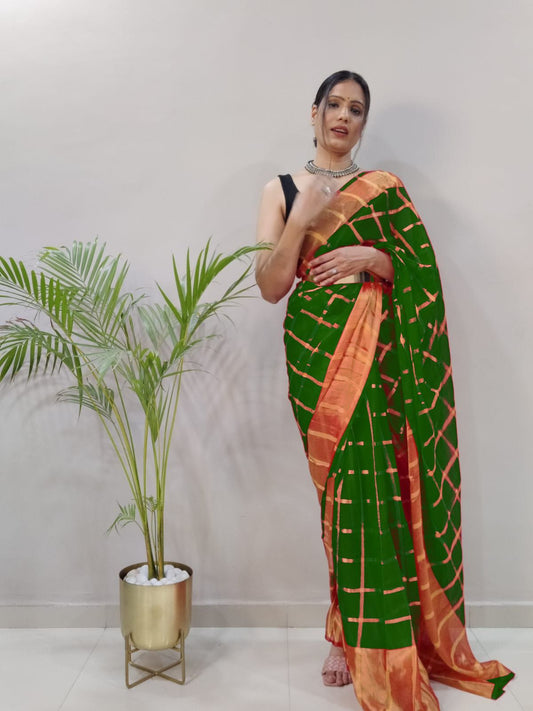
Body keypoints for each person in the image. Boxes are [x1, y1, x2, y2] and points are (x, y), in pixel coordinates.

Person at [255, 70, 514, 710]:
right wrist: (301, 217)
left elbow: (420, 275)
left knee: (379, 491)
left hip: (378, 356)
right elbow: (270, 285)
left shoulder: (387, 190)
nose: (344, 116)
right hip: (315, 353)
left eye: (356, 109)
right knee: (340, 500)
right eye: (335, 105)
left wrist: (374, 260)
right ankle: (347, 634)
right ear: (314, 112)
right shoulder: (279, 190)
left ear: (363, 123)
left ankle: (364, 636)